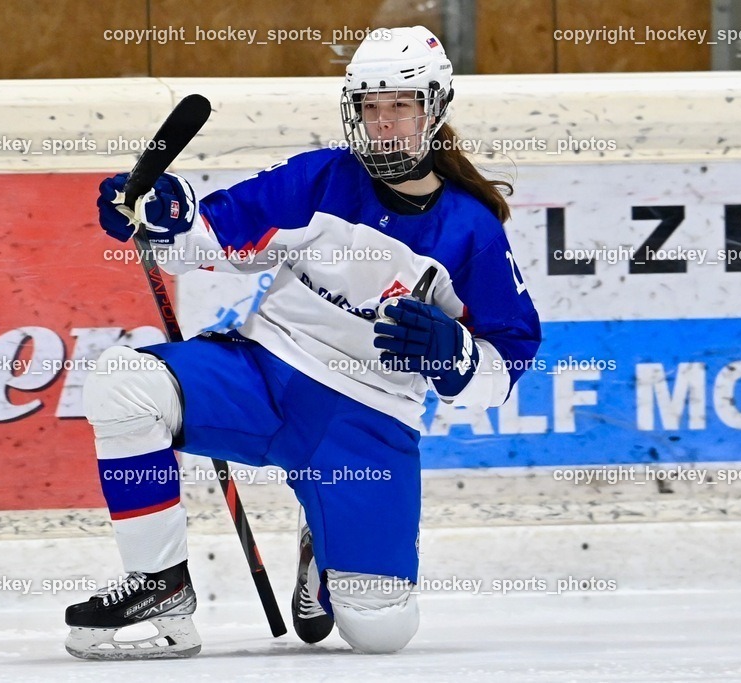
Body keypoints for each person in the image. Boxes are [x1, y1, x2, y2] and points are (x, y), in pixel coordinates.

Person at [65, 25, 541, 660]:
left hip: (368, 422)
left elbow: (508, 359)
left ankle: (322, 541)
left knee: (380, 631)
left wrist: (454, 355)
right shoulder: (320, 179)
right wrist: (163, 214)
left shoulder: (471, 232)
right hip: (263, 376)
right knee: (121, 383)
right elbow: (201, 241)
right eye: (370, 106)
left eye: (401, 105)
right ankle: (162, 588)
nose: (384, 122)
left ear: (435, 108)